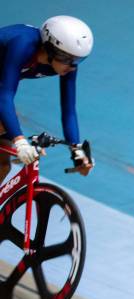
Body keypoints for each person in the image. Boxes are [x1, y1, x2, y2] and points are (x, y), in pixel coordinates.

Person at [0, 16, 94, 182]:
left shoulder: (67, 66)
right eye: (69, 59)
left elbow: (69, 110)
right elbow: (5, 96)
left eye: (78, 60)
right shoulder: (23, 44)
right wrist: (20, 141)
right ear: (51, 50)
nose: (73, 66)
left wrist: (77, 151)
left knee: (2, 165)